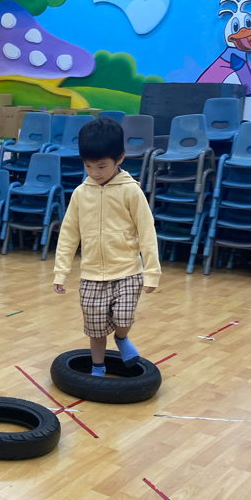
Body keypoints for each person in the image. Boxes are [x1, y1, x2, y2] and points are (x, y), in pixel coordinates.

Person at [52, 118, 160, 376]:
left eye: (101, 166)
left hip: (127, 271)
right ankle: (97, 369)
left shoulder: (131, 191)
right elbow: (68, 234)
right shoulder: (81, 193)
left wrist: (152, 272)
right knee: (95, 328)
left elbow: (147, 231)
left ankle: (121, 338)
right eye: (88, 166)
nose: (95, 173)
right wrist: (60, 272)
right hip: (91, 275)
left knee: (124, 318)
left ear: (119, 158)